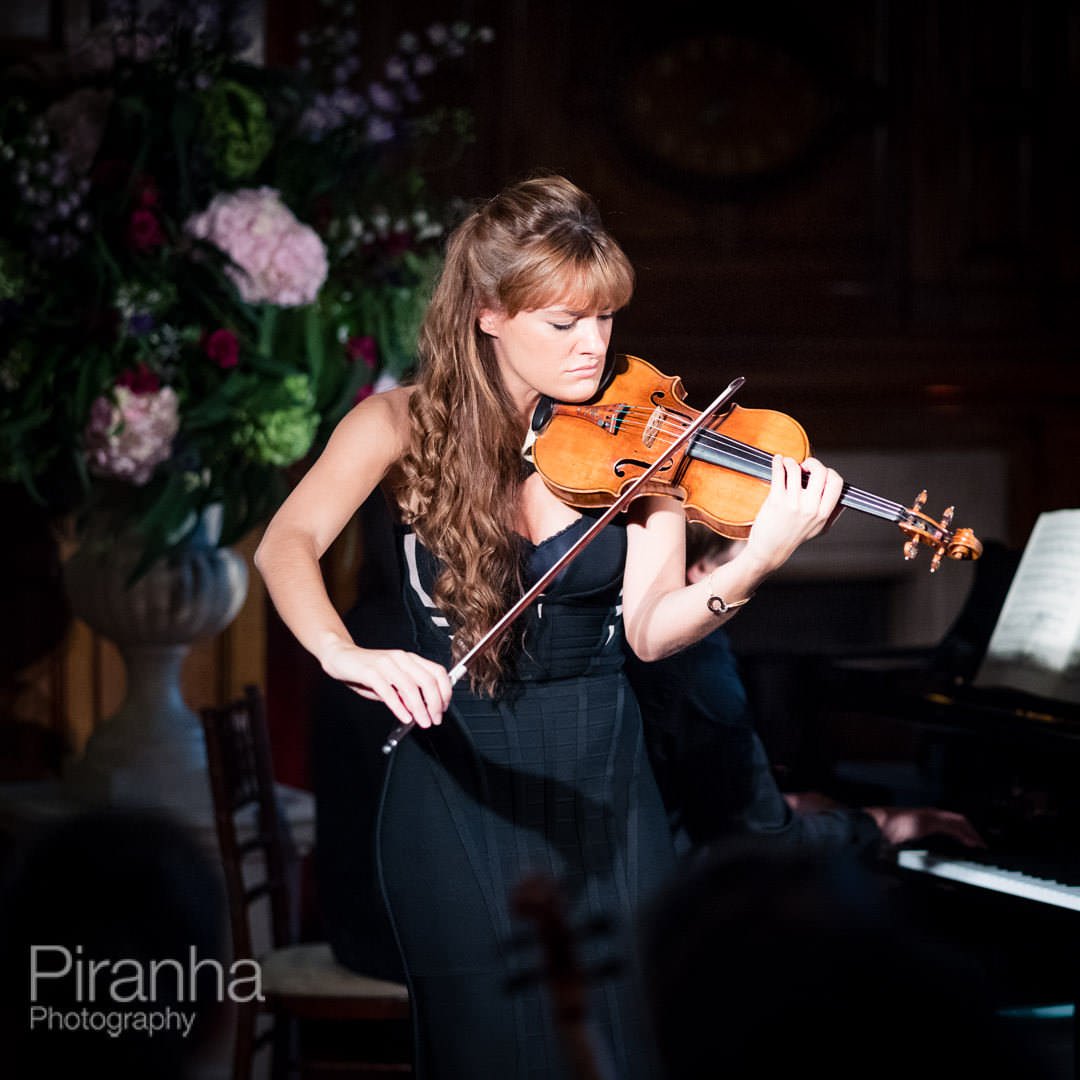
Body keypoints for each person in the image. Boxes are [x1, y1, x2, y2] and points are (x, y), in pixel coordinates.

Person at [253, 173, 845, 1080]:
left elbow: (650, 630)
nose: (592, 347)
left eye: (604, 320)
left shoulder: (642, 437)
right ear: (488, 313)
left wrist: (757, 561)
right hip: (456, 787)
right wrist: (346, 654)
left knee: (629, 1049)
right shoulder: (393, 423)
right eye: (562, 324)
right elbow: (285, 545)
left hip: (604, 781)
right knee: (487, 1052)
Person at [624, 523, 984, 858]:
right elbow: (761, 837)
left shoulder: (621, 629)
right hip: (680, 893)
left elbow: (709, 796)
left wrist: (778, 806)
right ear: (701, 570)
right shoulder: (695, 656)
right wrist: (883, 824)